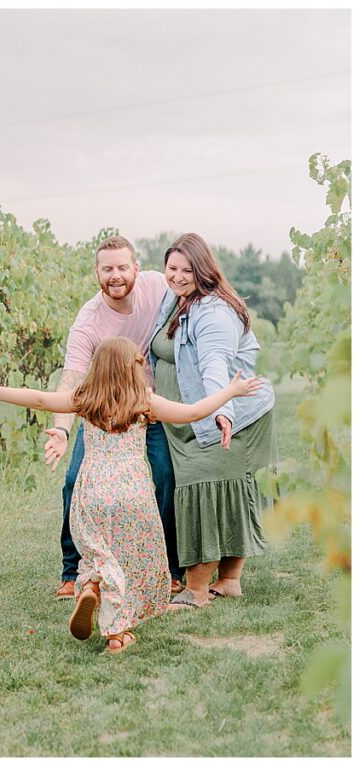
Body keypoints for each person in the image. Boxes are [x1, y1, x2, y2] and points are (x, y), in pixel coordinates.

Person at [0, 337, 262, 653]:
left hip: (91, 491)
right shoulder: (145, 401)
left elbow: (39, 399)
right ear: (132, 366)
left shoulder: (84, 398)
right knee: (130, 561)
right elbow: (191, 413)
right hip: (132, 493)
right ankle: (117, 633)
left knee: (100, 553)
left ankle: (91, 586)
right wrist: (231, 391)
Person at [45, 235, 183, 600]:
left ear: (137, 268)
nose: (116, 275)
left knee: (167, 476)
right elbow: (71, 378)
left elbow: (191, 289)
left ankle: (167, 568)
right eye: (107, 269)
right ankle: (73, 570)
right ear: (97, 272)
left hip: (147, 409)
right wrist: (60, 429)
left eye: (123, 267)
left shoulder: (157, 287)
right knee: (75, 480)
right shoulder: (89, 321)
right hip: (104, 413)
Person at [148, 233, 277, 609]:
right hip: (193, 418)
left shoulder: (214, 312)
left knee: (206, 487)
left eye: (187, 270)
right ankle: (230, 580)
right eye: (172, 268)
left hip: (232, 416)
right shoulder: (174, 299)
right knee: (222, 489)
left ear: (203, 270)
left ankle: (197, 590)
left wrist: (221, 412)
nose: (178, 276)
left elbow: (214, 366)